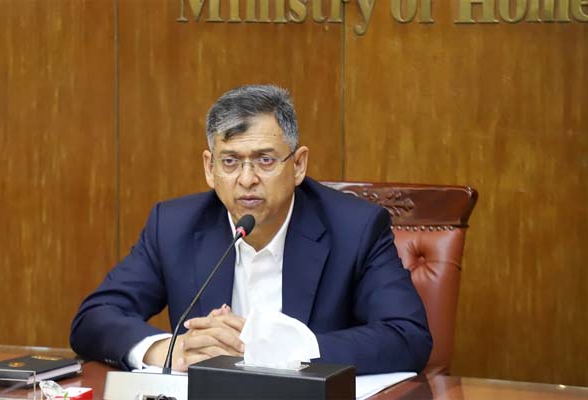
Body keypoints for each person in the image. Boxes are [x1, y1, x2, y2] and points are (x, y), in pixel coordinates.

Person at [70, 84, 432, 374]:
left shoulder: (355, 228)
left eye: (265, 160)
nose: (246, 180)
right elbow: (94, 317)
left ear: (298, 164)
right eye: (230, 162)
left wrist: (280, 350)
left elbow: (407, 336)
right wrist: (171, 350)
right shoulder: (174, 226)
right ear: (210, 168)